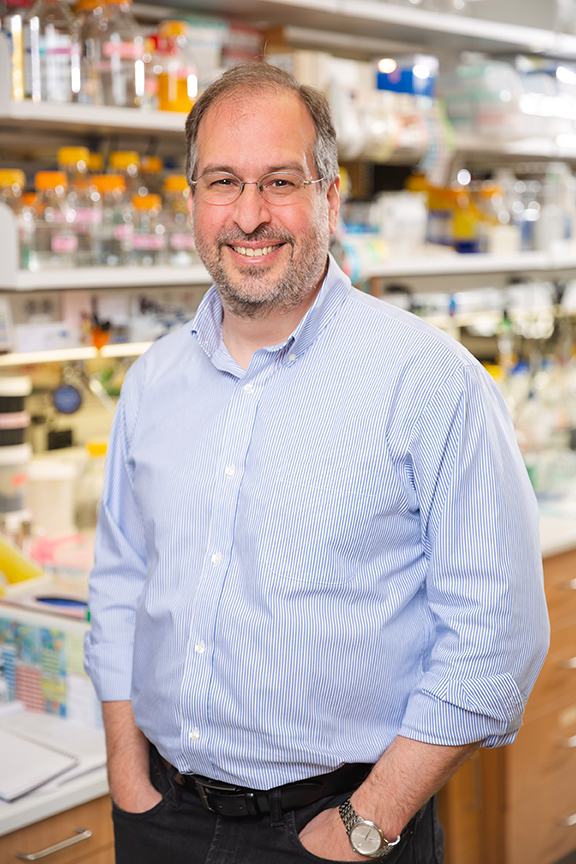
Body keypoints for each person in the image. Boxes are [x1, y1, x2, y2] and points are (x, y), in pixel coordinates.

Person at [85, 62, 549, 864]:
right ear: (192, 203)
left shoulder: (429, 382)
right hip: (160, 814)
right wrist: (128, 773)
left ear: (330, 199)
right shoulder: (152, 381)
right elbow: (121, 583)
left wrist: (368, 821)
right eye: (223, 182)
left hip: (339, 827)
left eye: (281, 182)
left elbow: (496, 638)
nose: (251, 216)